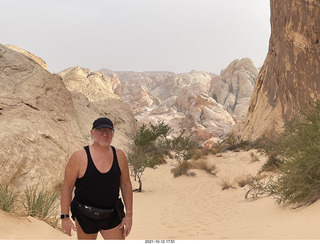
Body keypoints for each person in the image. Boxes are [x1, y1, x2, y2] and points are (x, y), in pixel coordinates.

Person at [60, 117, 133, 240]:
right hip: (85, 214)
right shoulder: (79, 156)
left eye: (108, 131)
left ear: (113, 134)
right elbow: (67, 188)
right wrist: (65, 217)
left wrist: (129, 215)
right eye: (100, 130)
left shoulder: (119, 156)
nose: (105, 134)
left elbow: (126, 185)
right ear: (92, 132)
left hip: (112, 213)